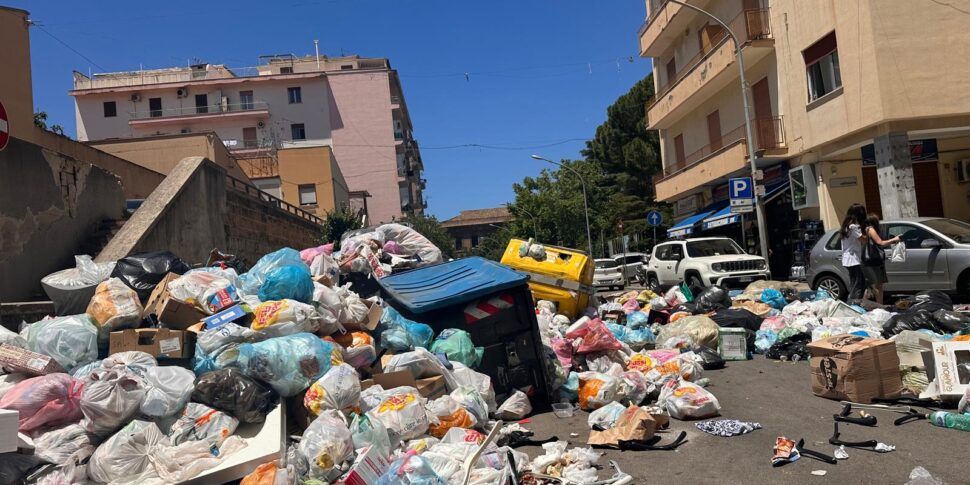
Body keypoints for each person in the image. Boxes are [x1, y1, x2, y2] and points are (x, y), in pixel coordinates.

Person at [862, 213, 901, 304]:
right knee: (877, 286)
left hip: (869, 260)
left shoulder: (865, 230)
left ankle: (866, 304)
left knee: (873, 285)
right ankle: (877, 305)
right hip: (873, 261)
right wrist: (894, 239)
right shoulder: (870, 229)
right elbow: (880, 243)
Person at [840, 203, 868, 300]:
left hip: (848, 259)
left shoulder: (846, 226)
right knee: (858, 284)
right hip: (853, 259)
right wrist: (867, 232)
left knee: (855, 283)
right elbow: (863, 240)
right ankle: (854, 304)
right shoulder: (853, 227)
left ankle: (853, 303)